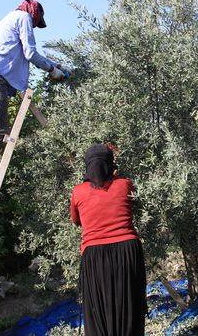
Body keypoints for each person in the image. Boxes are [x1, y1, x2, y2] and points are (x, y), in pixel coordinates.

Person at [0, 0, 68, 198]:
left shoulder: (10, 20)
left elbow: (28, 54)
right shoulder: (23, 17)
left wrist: (58, 67)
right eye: (36, 23)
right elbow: (30, 52)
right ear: (35, 13)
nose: (34, 26)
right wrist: (51, 70)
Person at [70, 144, 147, 335]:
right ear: (111, 164)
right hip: (127, 251)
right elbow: (133, 205)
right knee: (129, 305)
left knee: (98, 309)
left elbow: (76, 220)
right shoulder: (125, 184)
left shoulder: (78, 191)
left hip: (94, 254)